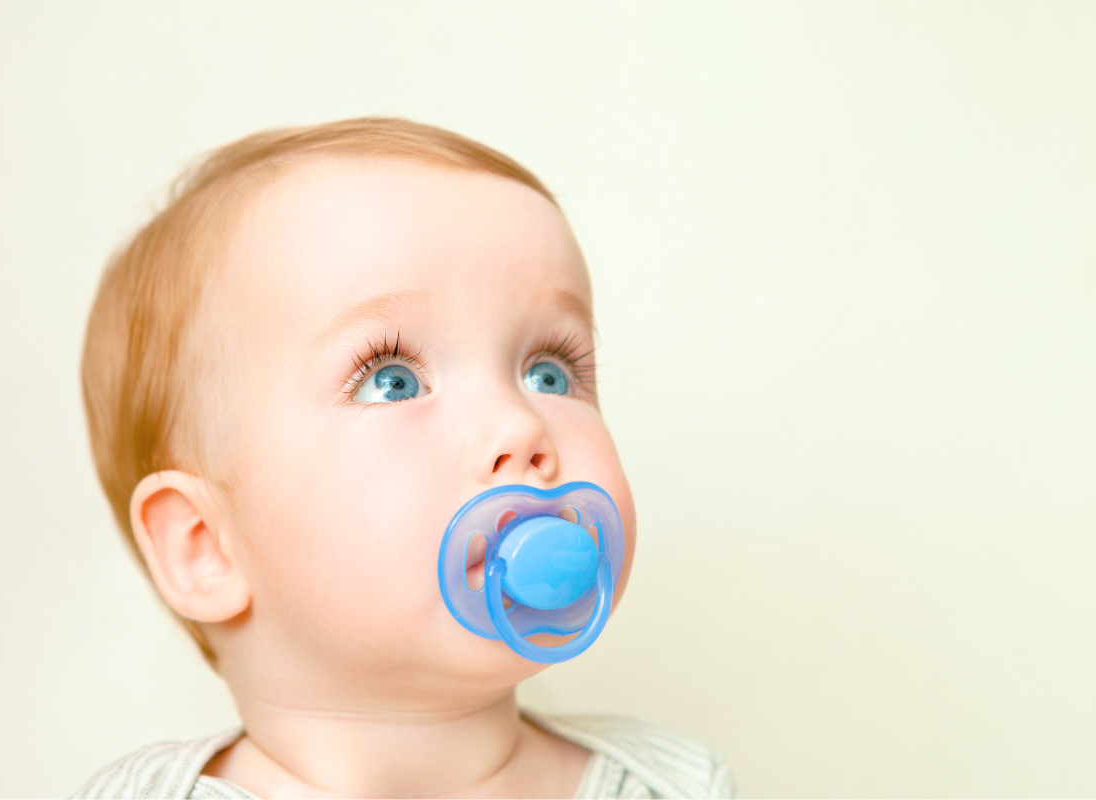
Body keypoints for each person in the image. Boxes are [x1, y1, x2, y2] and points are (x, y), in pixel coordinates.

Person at [75, 118, 736, 799]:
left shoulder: (671, 786)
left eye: (550, 373)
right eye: (391, 380)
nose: (521, 423)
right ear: (205, 547)